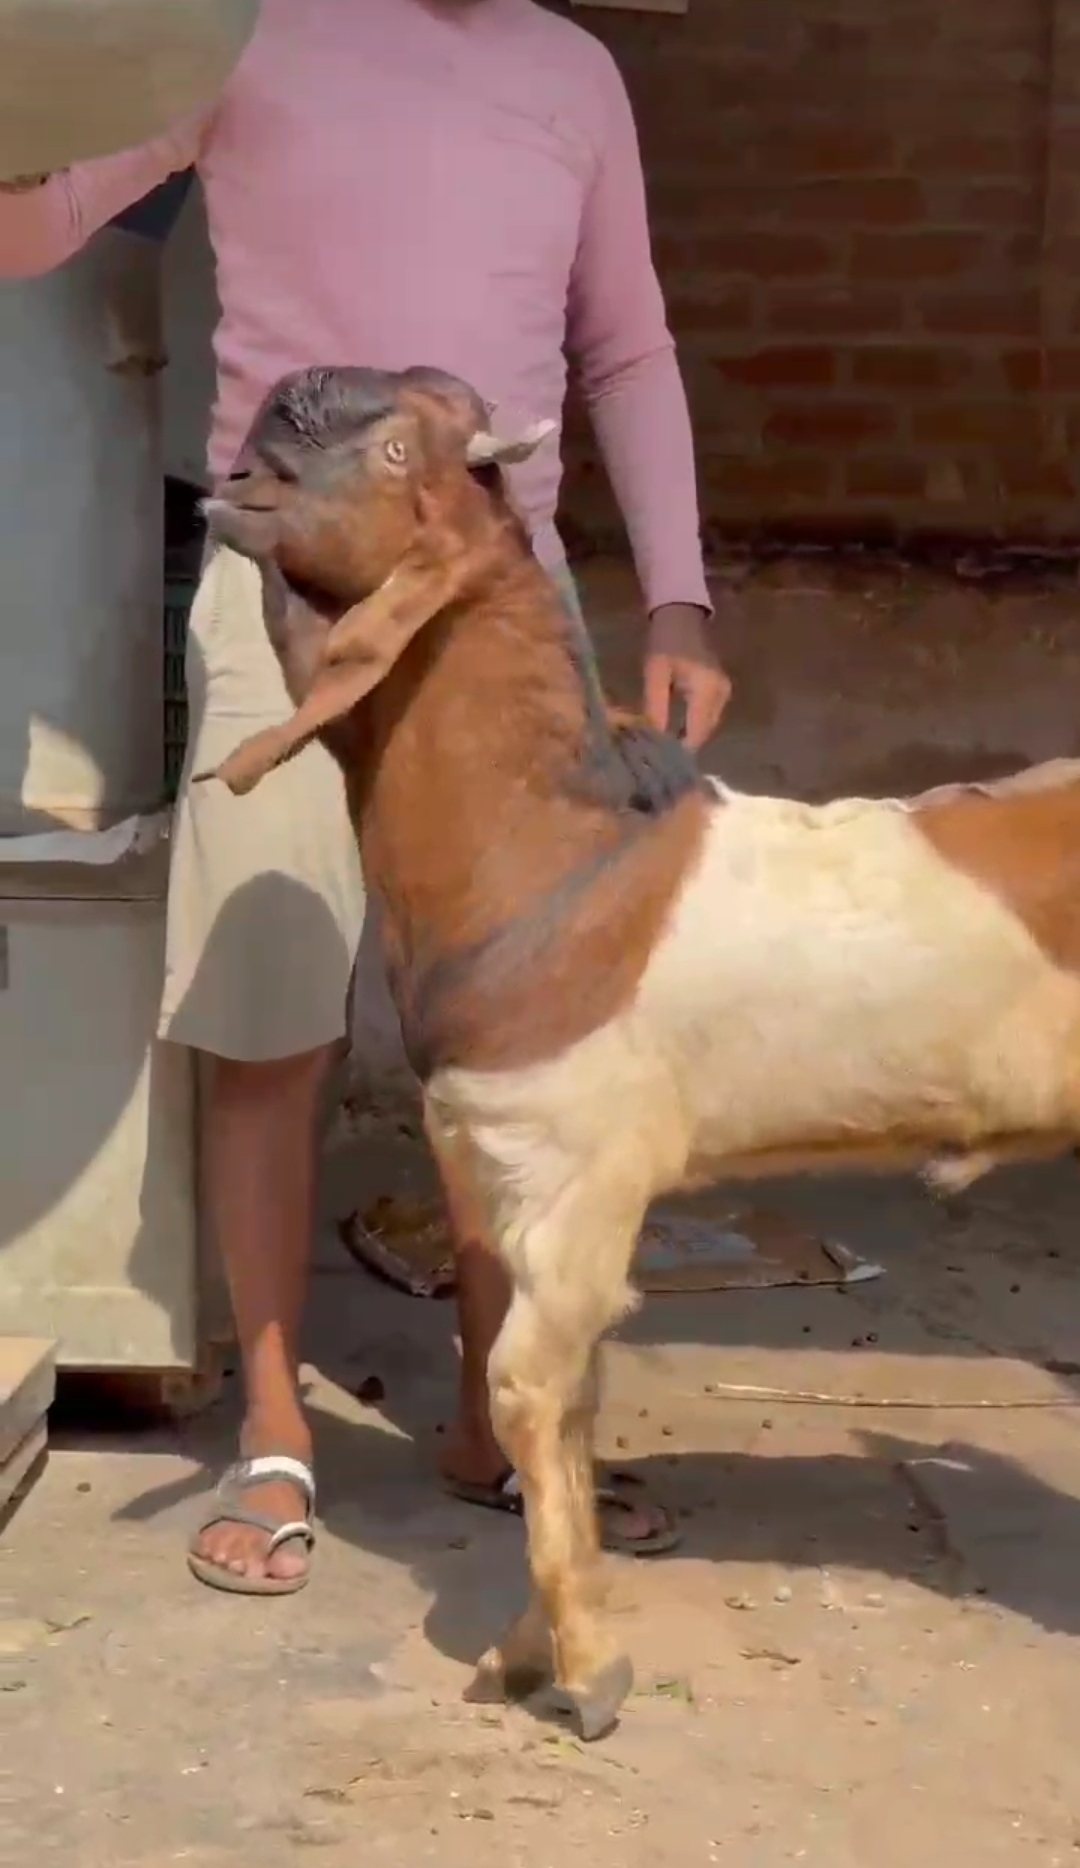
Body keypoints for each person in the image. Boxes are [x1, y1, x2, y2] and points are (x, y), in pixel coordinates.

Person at [0, 0, 730, 1594]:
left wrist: (678, 600)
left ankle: (501, 1421)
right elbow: (39, 223)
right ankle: (275, 1432)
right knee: (269, 1002)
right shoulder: (242, 33)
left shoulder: (571, 72)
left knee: (512, 1031)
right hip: (288, 595)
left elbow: (627, 346)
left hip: (499, 613)